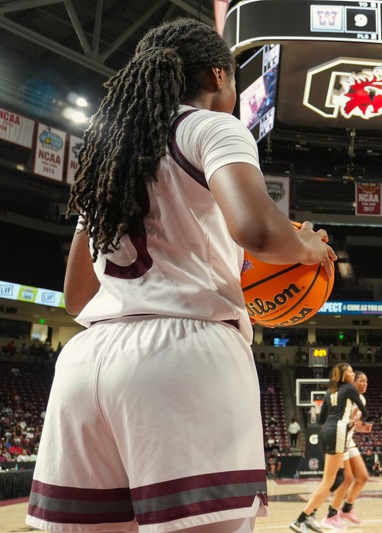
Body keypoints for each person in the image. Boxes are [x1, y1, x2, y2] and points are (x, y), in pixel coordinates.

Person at [26, 17, 335, 533]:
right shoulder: (211, 126)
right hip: (184, 359)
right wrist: (304, 245)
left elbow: (76, 297)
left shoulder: (109, 155)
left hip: (85, 365)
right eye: (235, 79)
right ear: (217, 75)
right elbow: (257, 231)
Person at [290, 363, 367, 533]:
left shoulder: (334, 392)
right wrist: (352, 421)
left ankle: (317, 513)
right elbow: (360, 415)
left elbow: (322, 419)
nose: (362, 382)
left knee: (347, 478)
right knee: (334, 479)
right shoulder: (347, 392)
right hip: (340, 435)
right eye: (356, 377)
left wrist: (356, 424)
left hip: (333, 434)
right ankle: (305, 518)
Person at [327, 371, 372, 527]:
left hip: (348, 440)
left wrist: (362, 428)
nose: (365, 384)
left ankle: (346, 509)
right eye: (361, 381)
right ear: (353, 383)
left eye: (366, 381)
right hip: (338, 440)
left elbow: (353, 425)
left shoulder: (362, 400)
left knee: (363, 477)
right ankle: (331, 515)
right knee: (346, 479)